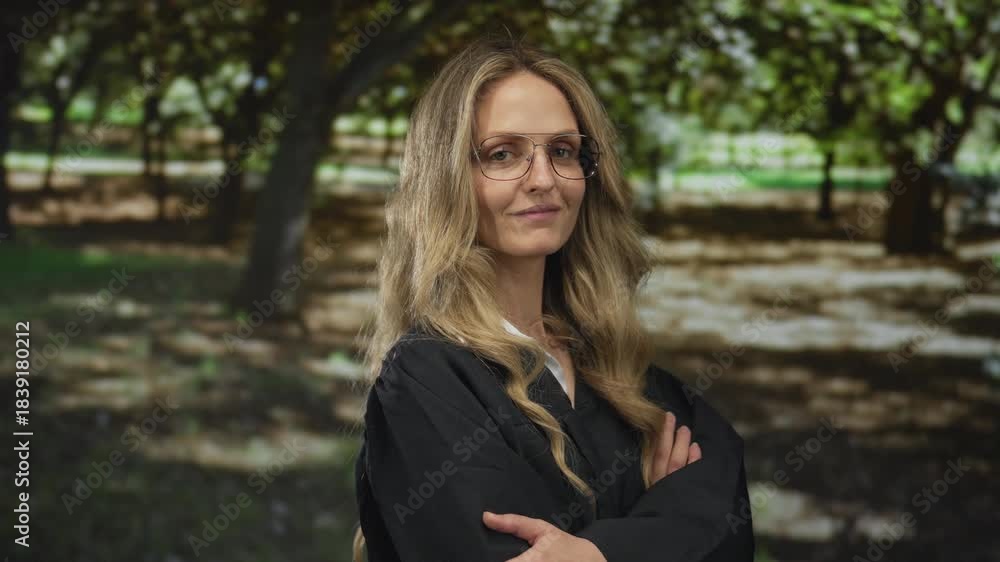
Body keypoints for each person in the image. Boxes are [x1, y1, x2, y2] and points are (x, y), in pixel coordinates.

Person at [351, 37, 754, 562]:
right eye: (502, 154)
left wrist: (595, 552)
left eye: (562, 150)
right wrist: (660, 526)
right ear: (447, 180)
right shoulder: (428, 378)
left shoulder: (618, 371)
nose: (543, 179)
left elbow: (727, 524)